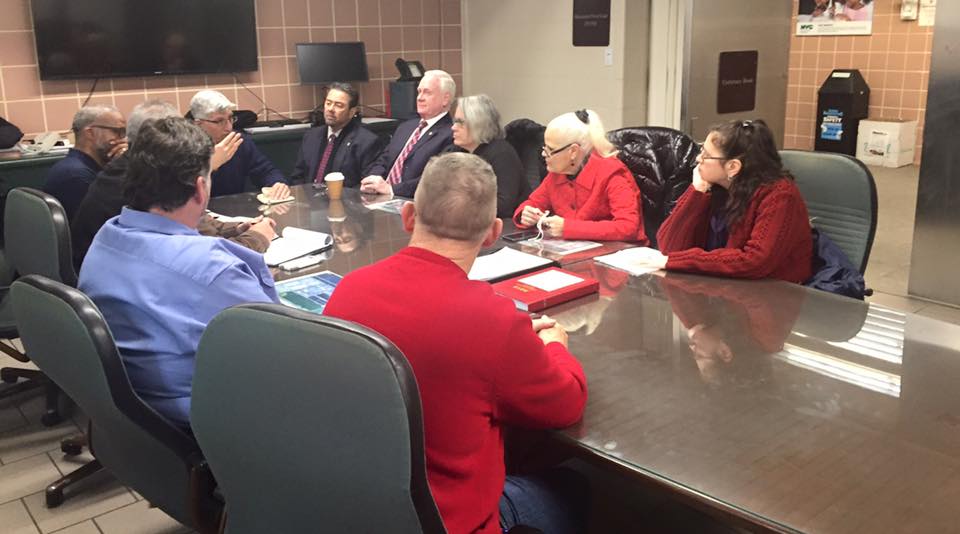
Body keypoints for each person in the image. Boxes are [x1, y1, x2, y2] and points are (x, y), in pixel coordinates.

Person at [325, 153, 588, 534]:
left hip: (359, 513)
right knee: (576, 484)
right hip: (452, 524)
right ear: (493, 233)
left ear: (409, 216)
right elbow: (567, 404)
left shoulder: (347, 291)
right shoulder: (494, 321)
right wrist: (554, 344)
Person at [78, 116, 279, 429]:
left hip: (134, 418)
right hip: (206, 425)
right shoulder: (212, 269)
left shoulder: (107, 235)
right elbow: (285, 349)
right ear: (200, 188)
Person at [71, 100, 277, 270]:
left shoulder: (124, 169)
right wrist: (258, 237)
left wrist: (234, 229)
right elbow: (214, 260)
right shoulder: (152, 181)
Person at [648, 119, 813, 283]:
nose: (698, 159)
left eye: (706, 155)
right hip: (724, 286)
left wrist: (677, 261)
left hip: (772, 293)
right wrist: (697, 191)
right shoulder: (716, 187)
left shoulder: (780, 195)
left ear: (733, 166)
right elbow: (669, 247)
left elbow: (753, 261)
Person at [513, 109, 647, 243]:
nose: (543, 154)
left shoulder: (612, 173)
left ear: (573, 151)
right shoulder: (557, 174)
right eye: (544, 148)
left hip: (619, 254)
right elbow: (533, 202)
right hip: (578, 252)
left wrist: (568, 228)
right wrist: (525, 214)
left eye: (550, 150)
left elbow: (627, 227)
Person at [360, 70, 455, 198]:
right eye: (419, 92)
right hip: (379, 197)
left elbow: (434, 181)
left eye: (427, 92)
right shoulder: (406, 127)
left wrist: (391, 189)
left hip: (411, 202)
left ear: (445, 99)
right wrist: (373, 179)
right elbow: (384, 159)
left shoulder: (451, 134)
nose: (420, 98)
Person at [189, 89, 291, 199]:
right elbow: (179, 195)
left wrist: (277, 183)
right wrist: (210, 166)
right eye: (219, 121)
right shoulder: (183, 148)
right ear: (198, 124)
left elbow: (265, 171)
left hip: (234, 210)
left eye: (230, 118)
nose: (229, 127)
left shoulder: (239, 141)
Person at [447, 94, 529, 219]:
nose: (453, 128)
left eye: (460, 122)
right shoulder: (457, 150)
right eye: (454, 122)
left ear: (478, 124)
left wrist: (458, 206)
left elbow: (503, 205)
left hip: (503, 226)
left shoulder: (502, 153)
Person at [43, 105, 128, 220]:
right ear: (90, 133)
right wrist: (124, 165)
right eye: (118, 131)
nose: (123, 139)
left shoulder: (77, 167)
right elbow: (113, 220)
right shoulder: (76, 176)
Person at [290, 82, 381, 188]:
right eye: (328, 103)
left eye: (338, 105)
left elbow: (365, 186)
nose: (330, 109)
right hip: (309, 201)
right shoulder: (311, 136)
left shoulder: (366, 142)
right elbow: (297, 177)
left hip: (344, 201)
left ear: (351, 112)